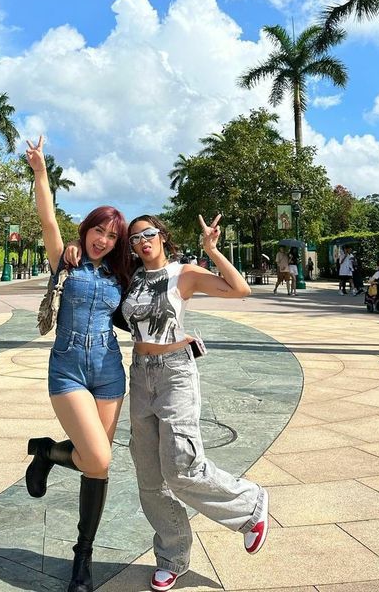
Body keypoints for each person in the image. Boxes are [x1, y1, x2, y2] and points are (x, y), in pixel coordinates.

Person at [121, 213, 269, 591]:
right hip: (139, 374)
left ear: (162, 236)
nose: (142, 241)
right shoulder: (131, 276)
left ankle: (249, 505)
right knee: (149, 475)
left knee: (182, 466)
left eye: (149, 234)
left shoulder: (182, 273)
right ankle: (173, 556)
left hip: (174, 374)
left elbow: (239, 290)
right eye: (135, 238)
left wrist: (211, 250)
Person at [24, 136, 130, 592]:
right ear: (87, 229)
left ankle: (82, 559)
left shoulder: (121, 274)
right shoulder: (64, 263)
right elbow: (47, 218)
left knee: (96, 465)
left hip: (109, 372)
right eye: (99, 231)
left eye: (112, 236)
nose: (103, 241)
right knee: (100, 456)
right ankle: (47, 451)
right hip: (67, 368)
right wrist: (41, 172)